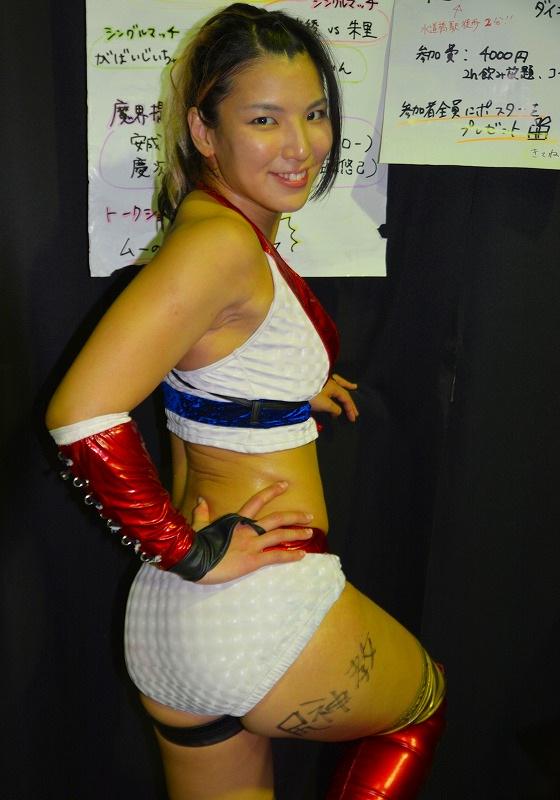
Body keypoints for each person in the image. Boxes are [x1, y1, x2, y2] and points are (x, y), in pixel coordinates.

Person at [46, 5, 445, 799]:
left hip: (171, 624)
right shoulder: (221, 245)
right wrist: (188, 551)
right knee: (415, 714)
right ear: (204, 130)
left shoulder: (211, 226)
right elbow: (80, 414)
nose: (301, 145)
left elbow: (201, 363)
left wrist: (291, 387)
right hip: (254, 609)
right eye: (264, 120)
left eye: (314, 114)